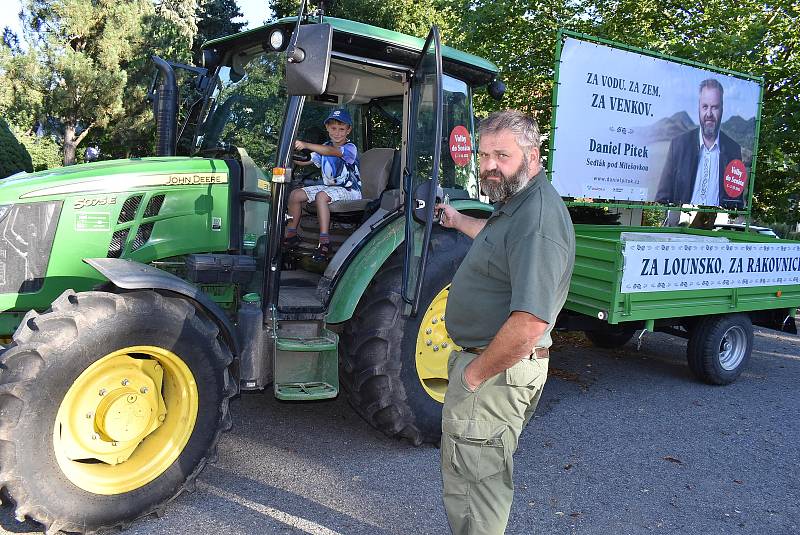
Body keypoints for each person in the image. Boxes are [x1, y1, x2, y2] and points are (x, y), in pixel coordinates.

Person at [437, 110, 575, 535]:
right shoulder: (519, 202)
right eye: (484, 155)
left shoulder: (536, 219)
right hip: (496, 369)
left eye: (502, 155)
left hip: (494, 372)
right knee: (472, 476)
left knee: (477, 489)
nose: (489, 164)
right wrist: (459, 221)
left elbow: (532, 321)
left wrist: (475, 376)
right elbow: (498, 243)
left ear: (532, 155)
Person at [285, 108, 361, 262]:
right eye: (334, 128)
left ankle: (324, 242)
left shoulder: (349, 148)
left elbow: (330, 152)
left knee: (321, 196)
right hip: (331, 189)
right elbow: (307, 160)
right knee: (295, 194)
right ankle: (291, 235)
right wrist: (289, 154)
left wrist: (306, 144)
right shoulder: (325, 145)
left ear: (349, 130)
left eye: (342, 129)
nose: (337, 133)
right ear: (327, 127)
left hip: (350, 190)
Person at [655, 79, 743, 208]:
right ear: (699, 108)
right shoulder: (678, 145)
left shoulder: (733, 150)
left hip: (717, 223)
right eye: (705, 106)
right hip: (682, 223)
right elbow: (662, 198)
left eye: (715, 107)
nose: (709, 114)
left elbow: (736, 200)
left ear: (722, 109)